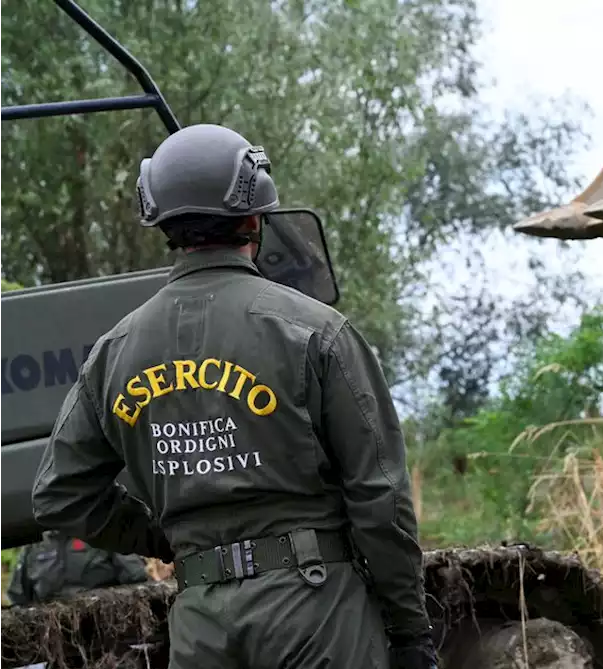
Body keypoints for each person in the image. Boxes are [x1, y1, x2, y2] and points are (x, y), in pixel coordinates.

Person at [29, 124, 436, 669]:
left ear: (165, 224)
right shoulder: (315, 330)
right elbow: (380, 499)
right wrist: (410, 632)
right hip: (316, 613)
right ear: (254, 218)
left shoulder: (113, 353)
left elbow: (60, 494)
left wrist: (170, 539)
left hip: (201, 627)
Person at [4, 529, 151, 607]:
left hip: (106, 624)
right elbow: (18, 595)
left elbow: (136, 576)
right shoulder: (34, 547)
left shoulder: (101, 533)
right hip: (52, 632)